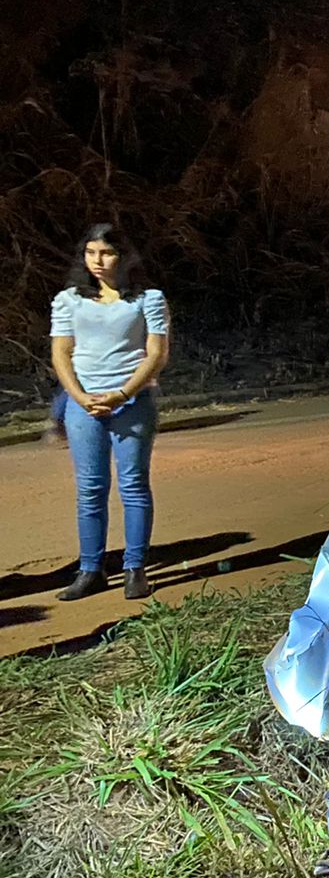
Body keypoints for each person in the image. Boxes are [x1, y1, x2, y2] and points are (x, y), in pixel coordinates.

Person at [49, 223, 170, 601]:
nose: (98, 261)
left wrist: (123, 393)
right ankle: (91, 570)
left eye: (107, 253)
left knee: (133, 485)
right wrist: (79, 397)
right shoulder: (69, 299)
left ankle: (135, 568)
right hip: (83, 404)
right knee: (90, 489)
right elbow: (61, 353)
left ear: (124, 256)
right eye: (91, 253)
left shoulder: (147, 299)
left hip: (133, 402)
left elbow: (156, 353)